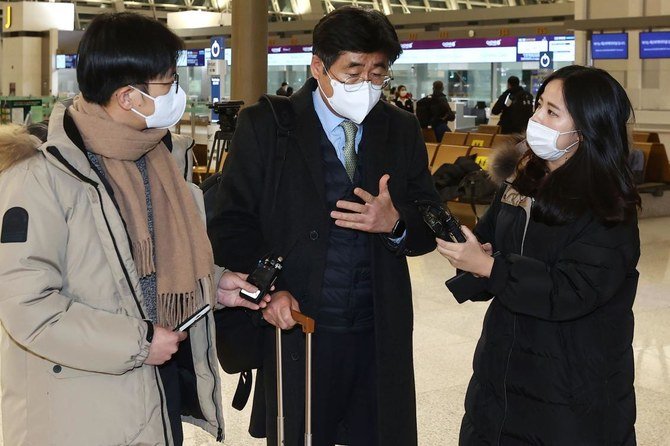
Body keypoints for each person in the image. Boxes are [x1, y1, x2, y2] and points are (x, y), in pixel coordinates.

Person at [0, 13, 267, 446]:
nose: (177, 91)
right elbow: (27, 307)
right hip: (80, 412)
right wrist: (140, 343)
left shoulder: (159, 157)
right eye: (167, 82)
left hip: (155, 397)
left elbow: (149, 264)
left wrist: (214, 285)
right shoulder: (41, 175)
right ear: (128, 96)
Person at [208, 6, 440, 446]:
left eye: (378, 73)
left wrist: (395, 224)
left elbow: (431, 220)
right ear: (318, 67)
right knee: (301, 430)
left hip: (376, 328)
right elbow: (232, 222)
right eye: (354, 70)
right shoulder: (267, 126)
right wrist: (266, 291)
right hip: (298, 322)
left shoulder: (400, 128)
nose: (367, 85)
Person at [436, 65, 641, 444]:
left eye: (552, 112)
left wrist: (491, 267)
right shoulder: (521, 181)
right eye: (539, 106)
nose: (536, 119)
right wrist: (476, 257)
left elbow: (573, 290)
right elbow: (491, 245)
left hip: (570, 383)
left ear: (587, 130)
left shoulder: (607, 204)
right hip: (504, 368)